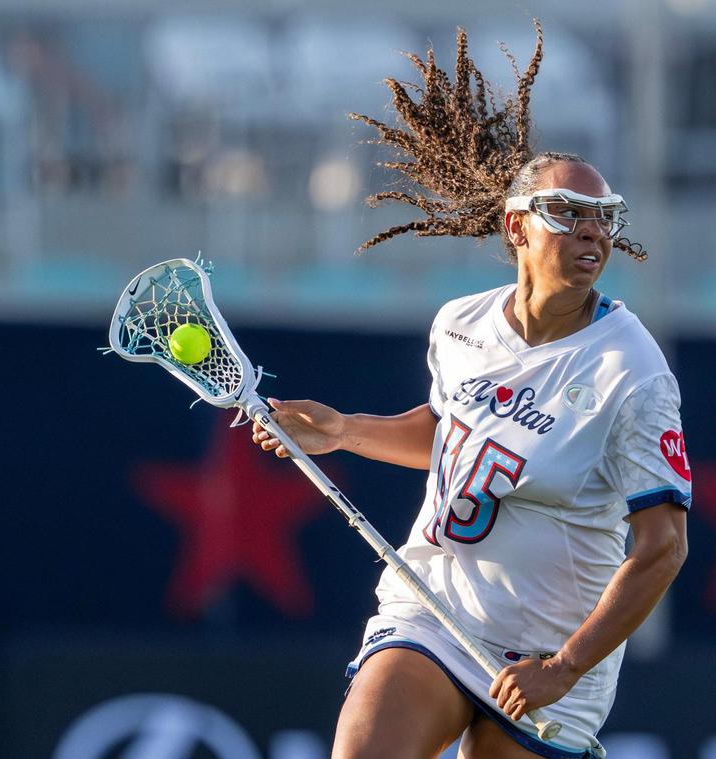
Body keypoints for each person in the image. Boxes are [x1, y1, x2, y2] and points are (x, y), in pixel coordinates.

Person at [252, 23, 689, 759]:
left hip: (553, 652)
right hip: (437, 610)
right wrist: (344, 430)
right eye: (567, 215)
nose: (591, 234)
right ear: (517, 227)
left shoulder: (634, 371)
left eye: (604, 219)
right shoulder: (460, 323)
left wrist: (564, 665)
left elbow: (662, 548)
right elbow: (459, 434)